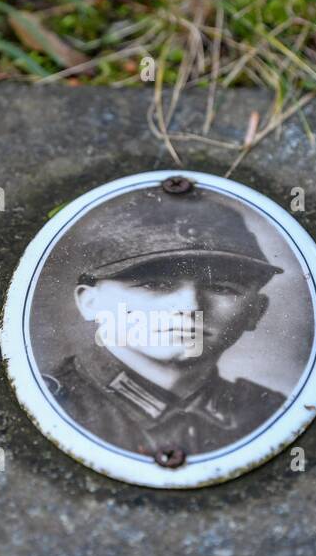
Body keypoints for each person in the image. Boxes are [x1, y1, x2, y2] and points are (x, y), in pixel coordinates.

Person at [42, 191, 287, 459]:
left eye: (221, 287)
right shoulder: (52, 405)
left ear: (256, 312)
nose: (190, 307)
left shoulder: (270, 413)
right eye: (154, 284)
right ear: (90, 302)